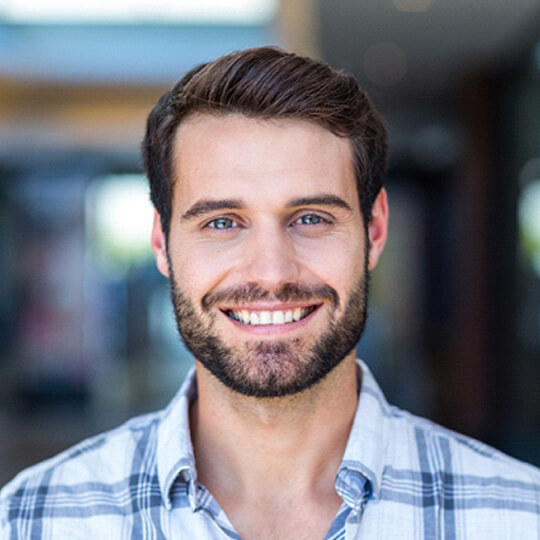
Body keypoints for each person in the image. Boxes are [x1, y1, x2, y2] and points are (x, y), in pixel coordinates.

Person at [1, 46, 539, 540]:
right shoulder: (33, 518)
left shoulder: (518, 517)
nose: (272, 272)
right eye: (221, 222)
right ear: (162, 245)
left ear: (374, 231)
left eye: (310, 217)